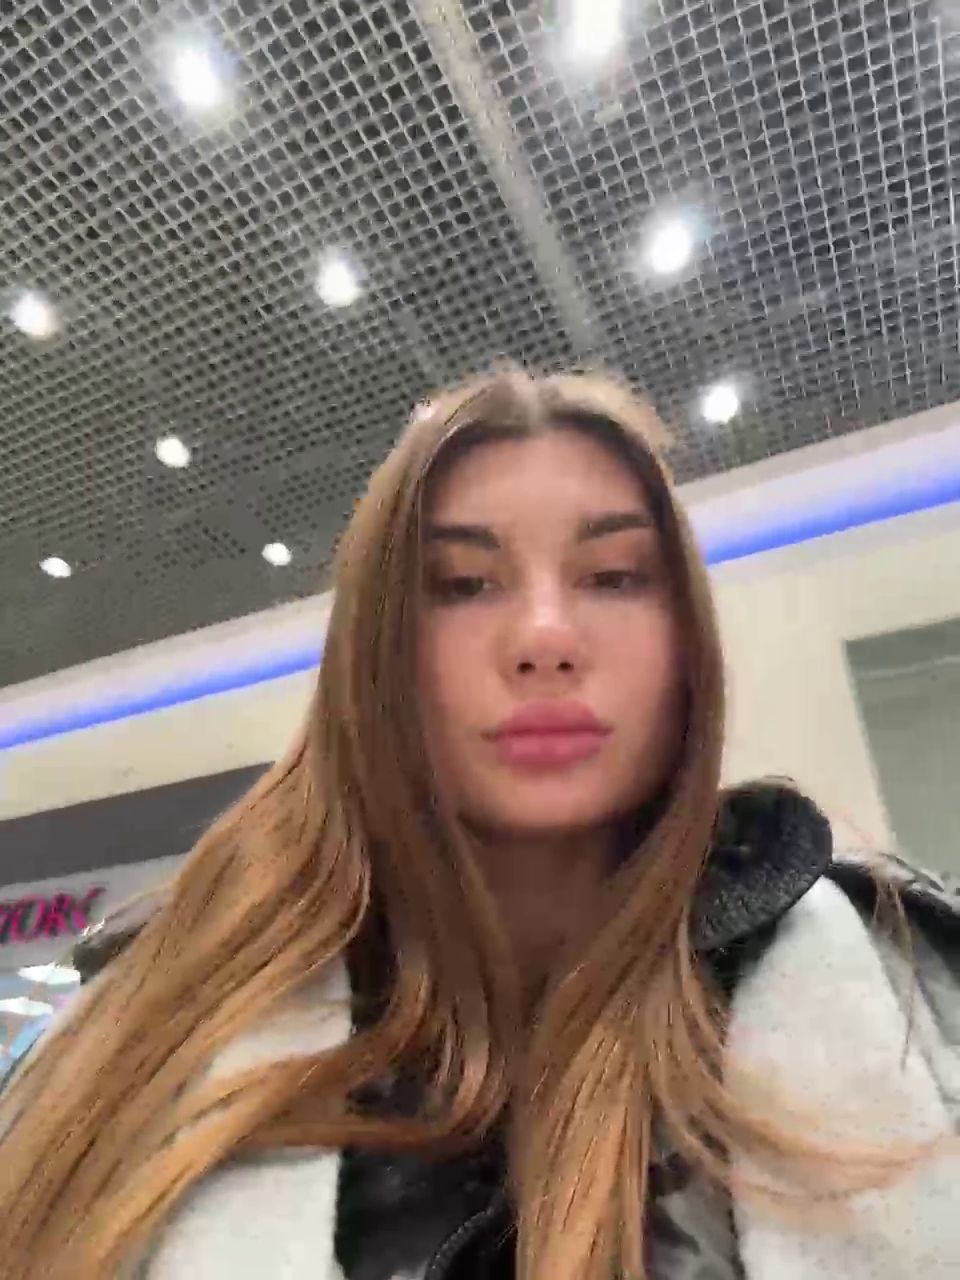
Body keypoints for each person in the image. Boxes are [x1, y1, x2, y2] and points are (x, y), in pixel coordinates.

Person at [0, 370, 957, 1280]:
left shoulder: (920, 995)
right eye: (462, 584)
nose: (545, 636)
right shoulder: (124, 1042)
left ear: (687, 645)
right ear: (376, 656)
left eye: (613, 575)